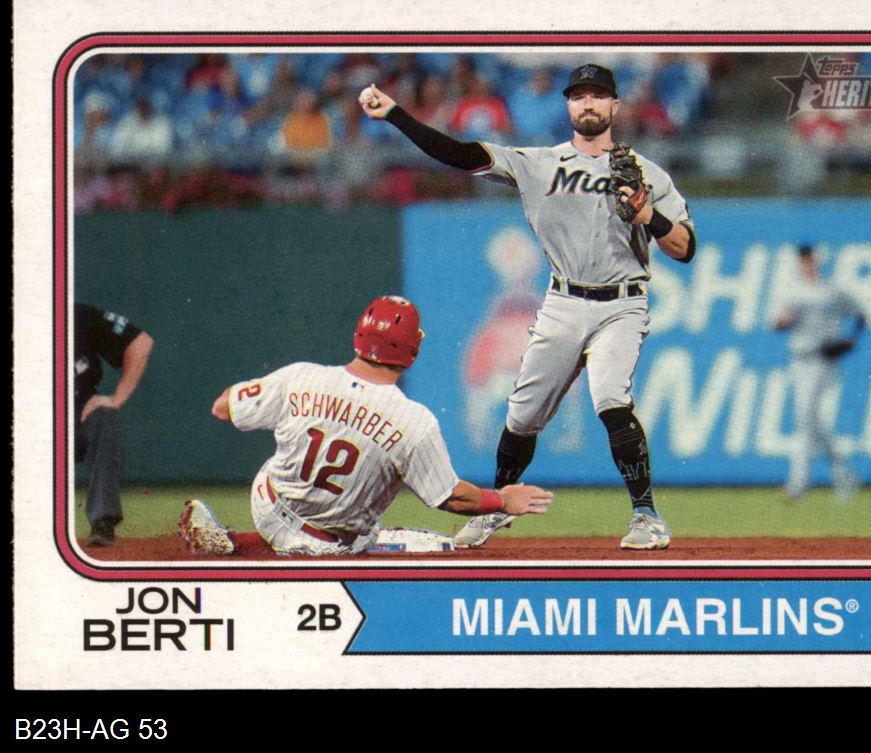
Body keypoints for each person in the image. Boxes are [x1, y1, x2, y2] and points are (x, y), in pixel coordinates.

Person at [359, 63, 696, 550]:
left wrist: (650, 215)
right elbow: (459, 153)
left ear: (615, 105)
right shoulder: (538, 163)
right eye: (579, 96)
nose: (588, 103)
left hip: (621, 303)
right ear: (568, 106)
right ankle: (496, 508)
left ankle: (646, 516)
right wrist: (396, 114)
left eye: (597, 95)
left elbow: (685, 248)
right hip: (562, 300)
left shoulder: (648, 173)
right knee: (522, 417)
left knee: (610, 399)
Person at [179, 296, 553, 556]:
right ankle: (277, 545)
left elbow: (223, 407)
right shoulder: (413, 420)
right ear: (411, 351)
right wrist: (503, 500)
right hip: (327, 544)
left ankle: (236, 544)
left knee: (296, 457)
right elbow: (449, 497)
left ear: (359, 338)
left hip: (267, 503)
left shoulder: (302, 377)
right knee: (434, 546)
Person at [774, 245, 866, 502]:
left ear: (817, 261)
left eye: (810, 260)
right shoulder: (792, 292)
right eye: (803, 261)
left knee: (805, 419)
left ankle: (798, 484)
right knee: (810, 422)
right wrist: (785, 321)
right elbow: (776, 324)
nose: (808, 265)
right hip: (799, 359)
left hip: (823, 359)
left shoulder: (832, 291)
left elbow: (861, 315)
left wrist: (851, 340)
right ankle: (844, 474)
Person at [75, 303, 154, 547]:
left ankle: (103, 520)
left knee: (104, 416)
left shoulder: (74, 315)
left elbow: (140, 342)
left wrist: (117, 398)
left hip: (78, 412)